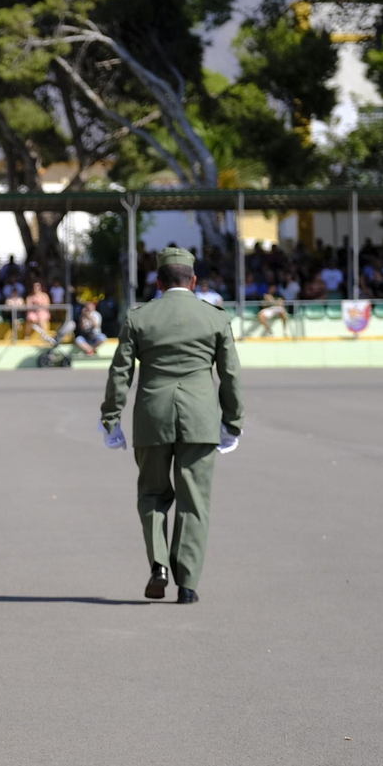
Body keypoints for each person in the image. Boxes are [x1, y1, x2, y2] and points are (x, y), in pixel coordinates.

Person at [99, 248, 243, 604]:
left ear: (159, 283)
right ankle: (189, 584)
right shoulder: (216, 318)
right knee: (194, 501)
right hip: (200, 419)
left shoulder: (139, 317)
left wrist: (110, 417)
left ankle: (159, 564)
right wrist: (233, 422)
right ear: (193, 281)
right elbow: (230, 376)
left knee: (152, 494)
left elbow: (120, 373)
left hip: (152, 416)